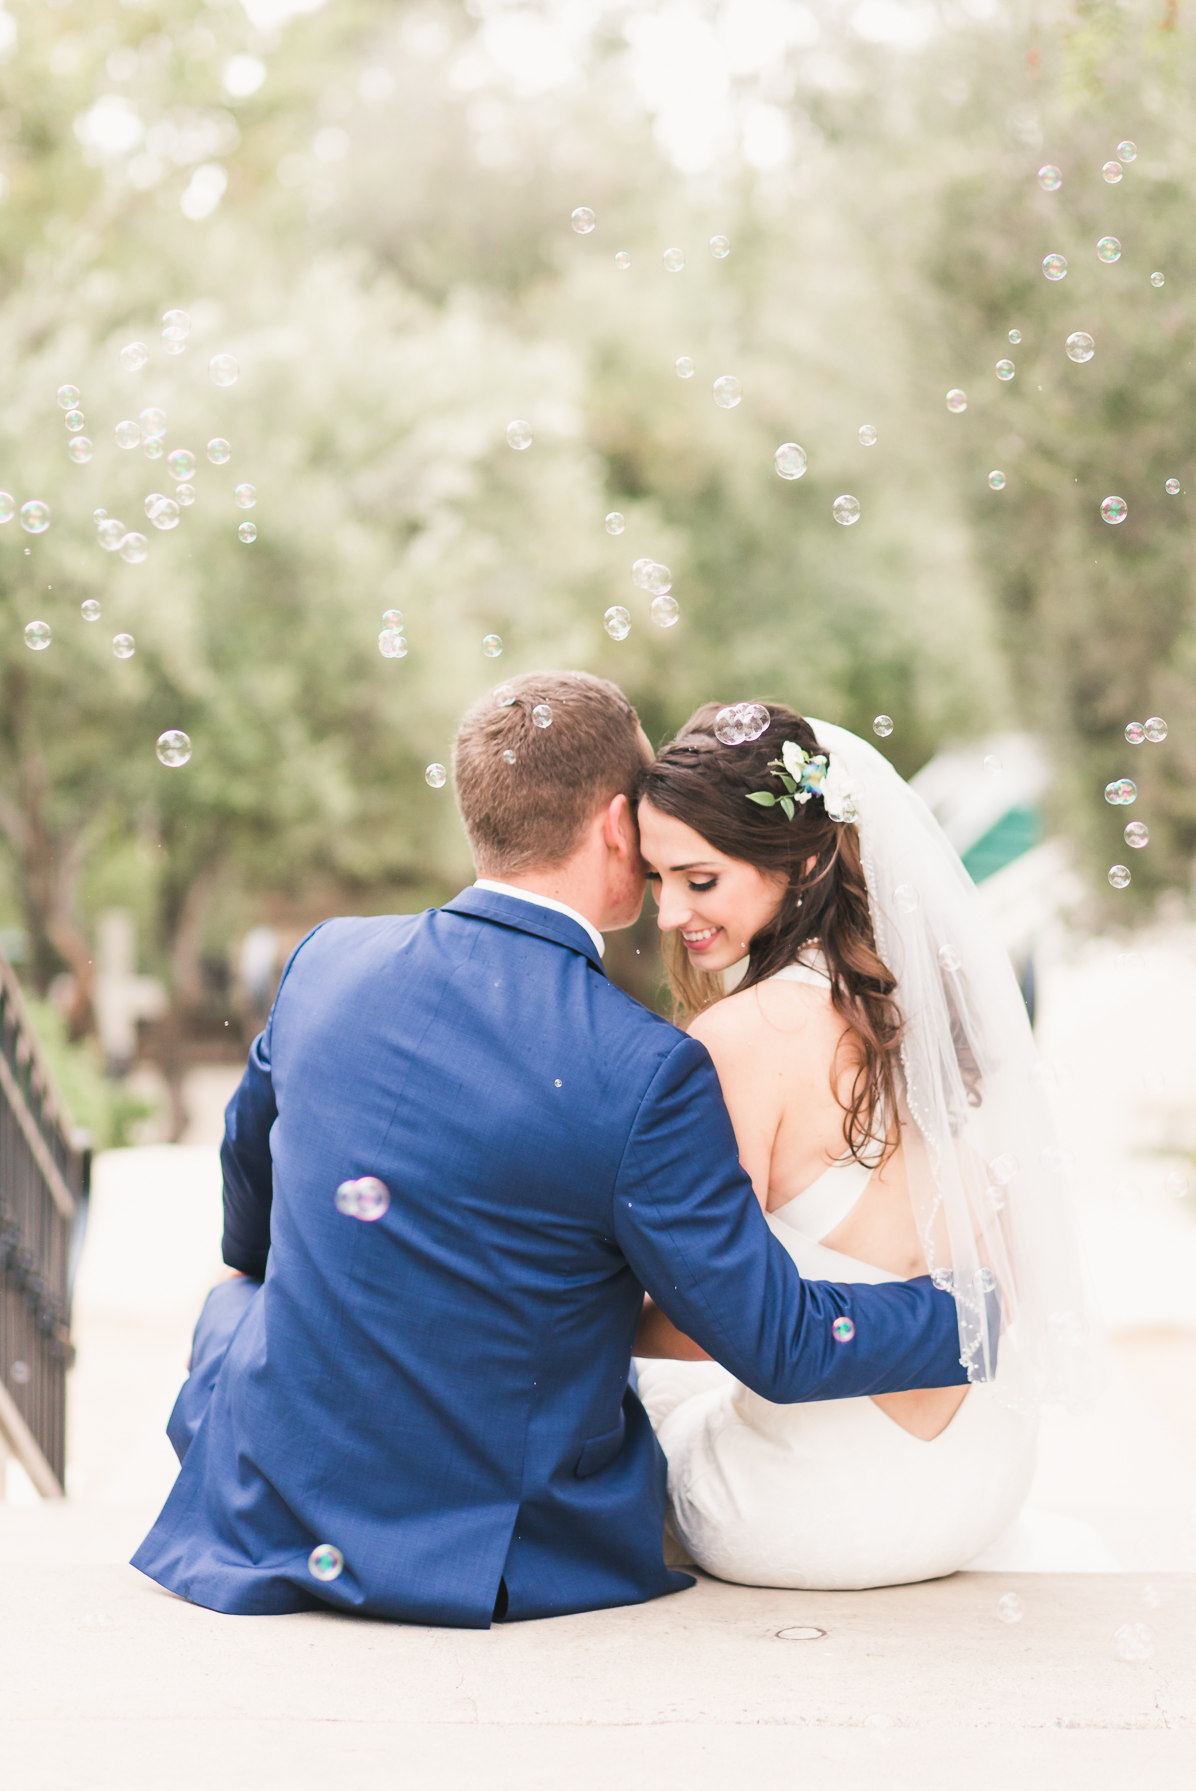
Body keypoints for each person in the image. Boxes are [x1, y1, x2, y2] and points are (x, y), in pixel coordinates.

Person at [131, 671, 971, 1628]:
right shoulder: (644, 1067)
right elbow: (769, 1340)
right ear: (620, 827)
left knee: (238, 1299)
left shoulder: (324, 959)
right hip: (488, 1538)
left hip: (265, 1489)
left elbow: (250, 1213)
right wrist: (972, 1323)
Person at [633, 701, 1096, 1590]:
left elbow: (710, 1318)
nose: (666, 915)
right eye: (656, 880)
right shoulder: (940, 1011)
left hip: (819, 1513)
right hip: (978, 1482)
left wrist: (572, 1311)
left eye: (698, 880)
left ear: (801, 862)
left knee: (617, 1391)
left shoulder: (741, 1038)